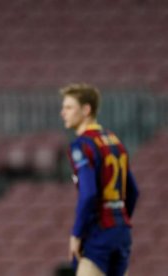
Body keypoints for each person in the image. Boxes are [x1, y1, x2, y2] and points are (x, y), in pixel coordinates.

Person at [59, 84, 139, 276]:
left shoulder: (82, 145)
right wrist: (119, 219)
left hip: (99, 232)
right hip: (122, 232)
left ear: (86, 110)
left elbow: (88, 194)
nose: (63, 113)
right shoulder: (115, 141)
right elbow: (133, 191)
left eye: (69, 107)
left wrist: (76, 234)